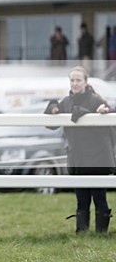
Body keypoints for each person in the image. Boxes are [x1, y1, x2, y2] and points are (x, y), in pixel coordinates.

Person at [45, 66, 114, 234]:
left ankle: (101, 234)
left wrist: (100, 112)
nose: (75, 84)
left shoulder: (97, 100)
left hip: (98, 157)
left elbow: (111, 119)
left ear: (86, 82)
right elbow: (50, 125)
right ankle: (81, 233)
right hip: (77, 158)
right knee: (81, 199)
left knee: (99, 197)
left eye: (78, 80)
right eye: (72, 80)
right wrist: (52, 106)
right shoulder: (66, 102)